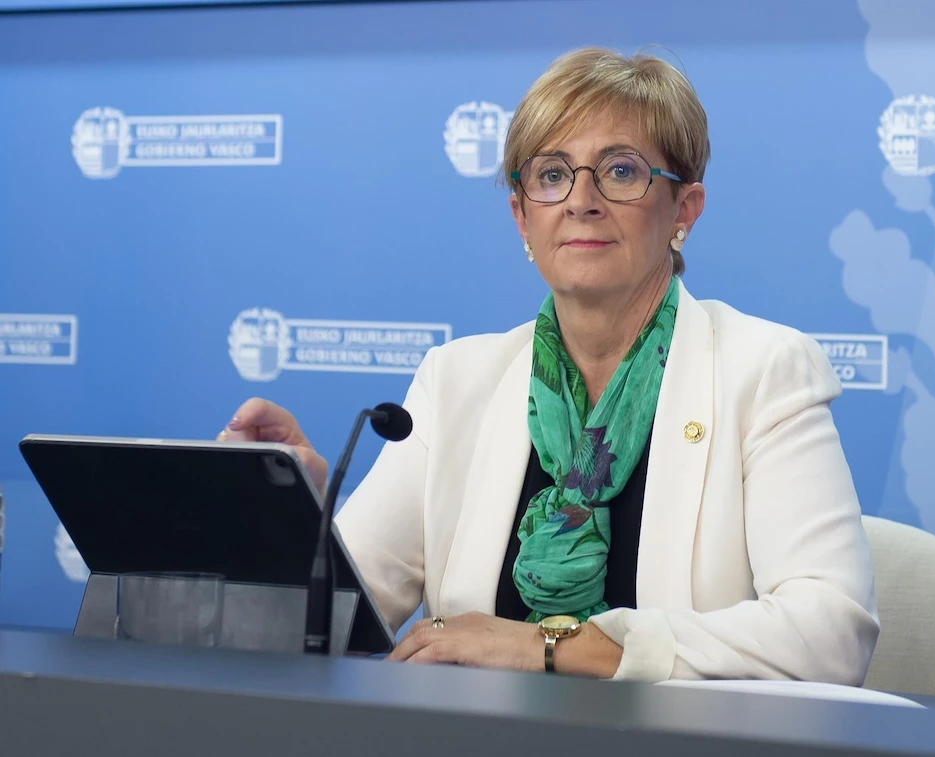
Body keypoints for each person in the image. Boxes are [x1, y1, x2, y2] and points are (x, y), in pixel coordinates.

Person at [218, 47, 878, 683]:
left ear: (684, 210)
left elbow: (831, 631)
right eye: (553, 174)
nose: (581, 199)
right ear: (522, 216)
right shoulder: (457, 383)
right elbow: (329, 627)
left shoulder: (762, 372)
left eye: (621, 170)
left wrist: (558, 646)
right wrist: (292, 524)